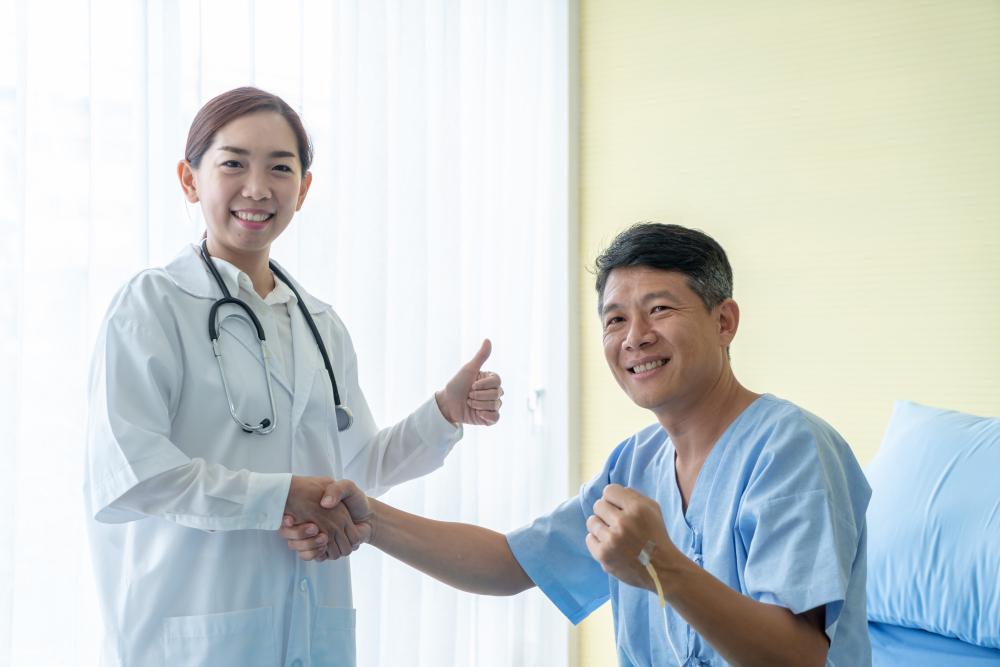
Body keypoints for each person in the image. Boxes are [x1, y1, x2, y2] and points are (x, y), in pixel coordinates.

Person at [282, 223, 872, 666]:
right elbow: (510, 564)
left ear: (725, 322)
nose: (635, 337)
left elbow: (800, 658)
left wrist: (659, 563)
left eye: (659, 309)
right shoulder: (635, 464)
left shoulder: (790, 449)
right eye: (615, 320)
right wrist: (369, 517)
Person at [84, 86, 504, 667]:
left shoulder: (319, 324)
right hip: (191, 636)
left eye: (280, 168)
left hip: (310, 633)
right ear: (189, 179)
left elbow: (357, 471)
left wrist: (443, 413)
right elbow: (133, 474)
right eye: (233, 164)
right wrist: (282, 496)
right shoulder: (152, 306)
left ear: (303, 190)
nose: (257, 188)